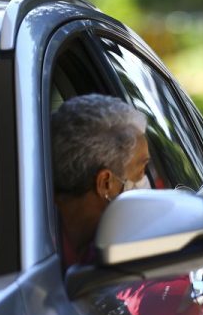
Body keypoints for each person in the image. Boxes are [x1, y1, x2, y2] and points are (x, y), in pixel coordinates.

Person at [51, 94, 151, 268]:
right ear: (106, 183)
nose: (145, 180)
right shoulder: (126, 256)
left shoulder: (12, 234)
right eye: (141, 169)